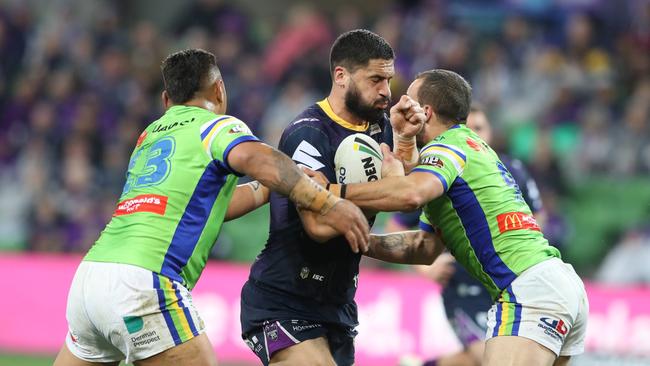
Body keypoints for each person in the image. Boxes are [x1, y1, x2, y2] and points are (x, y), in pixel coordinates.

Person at [53, 49, 371, 366]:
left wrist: (272, 188)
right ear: (219, 90)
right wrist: (326, 202)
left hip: (90, 280)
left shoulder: (148, 136)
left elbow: (206, 208)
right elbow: (260, 159)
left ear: (167, 100)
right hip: (144, 282)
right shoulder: (214, 126)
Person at [330, 69, 589, 366]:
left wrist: (327, 192)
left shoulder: (447, 146)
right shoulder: (472, 149)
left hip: (528, 292)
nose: (397, 107)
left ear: (424, 112)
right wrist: (359, 239)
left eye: (407, 100)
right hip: (559, 286)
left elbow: (410, 195)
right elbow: (423, 248)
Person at [239, 29, 425, 365]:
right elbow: (317, 226)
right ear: (341, 76)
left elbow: (407, 189)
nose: (386, 91)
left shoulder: (379, 126)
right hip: (283, 299)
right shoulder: (308, 132)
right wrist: (384, 189)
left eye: (389, 80)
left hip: (337, 305)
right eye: (375, 80)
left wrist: (405, 142)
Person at [391, 104, 547, 366]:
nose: (473, 134)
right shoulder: (440, 171)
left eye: (479, 128)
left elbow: (537, 216)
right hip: (463, 284)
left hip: (507, 284)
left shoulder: (510, 169)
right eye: (468, 129)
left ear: (489, 133)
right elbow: (398, 224)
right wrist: (425, 269)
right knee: (489, 358)